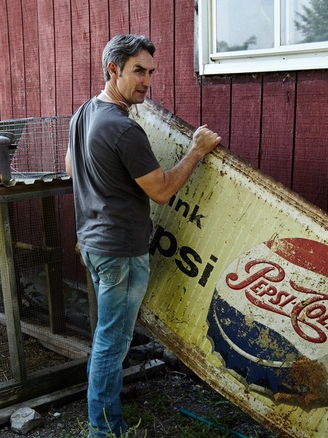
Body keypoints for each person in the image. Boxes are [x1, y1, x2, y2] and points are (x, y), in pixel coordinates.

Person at [65, 34, 221, 437]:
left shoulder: (83, 114)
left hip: (93, 244)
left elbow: (71, 168)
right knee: (112, 343)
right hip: (120, 250)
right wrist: (197, 150)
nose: (147, 81)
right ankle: (104, 430)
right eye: (138, 71)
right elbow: (162, 190)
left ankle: (104, 416)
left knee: (107, 337)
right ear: (113, 69)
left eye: (151, 72)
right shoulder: (122, 129)